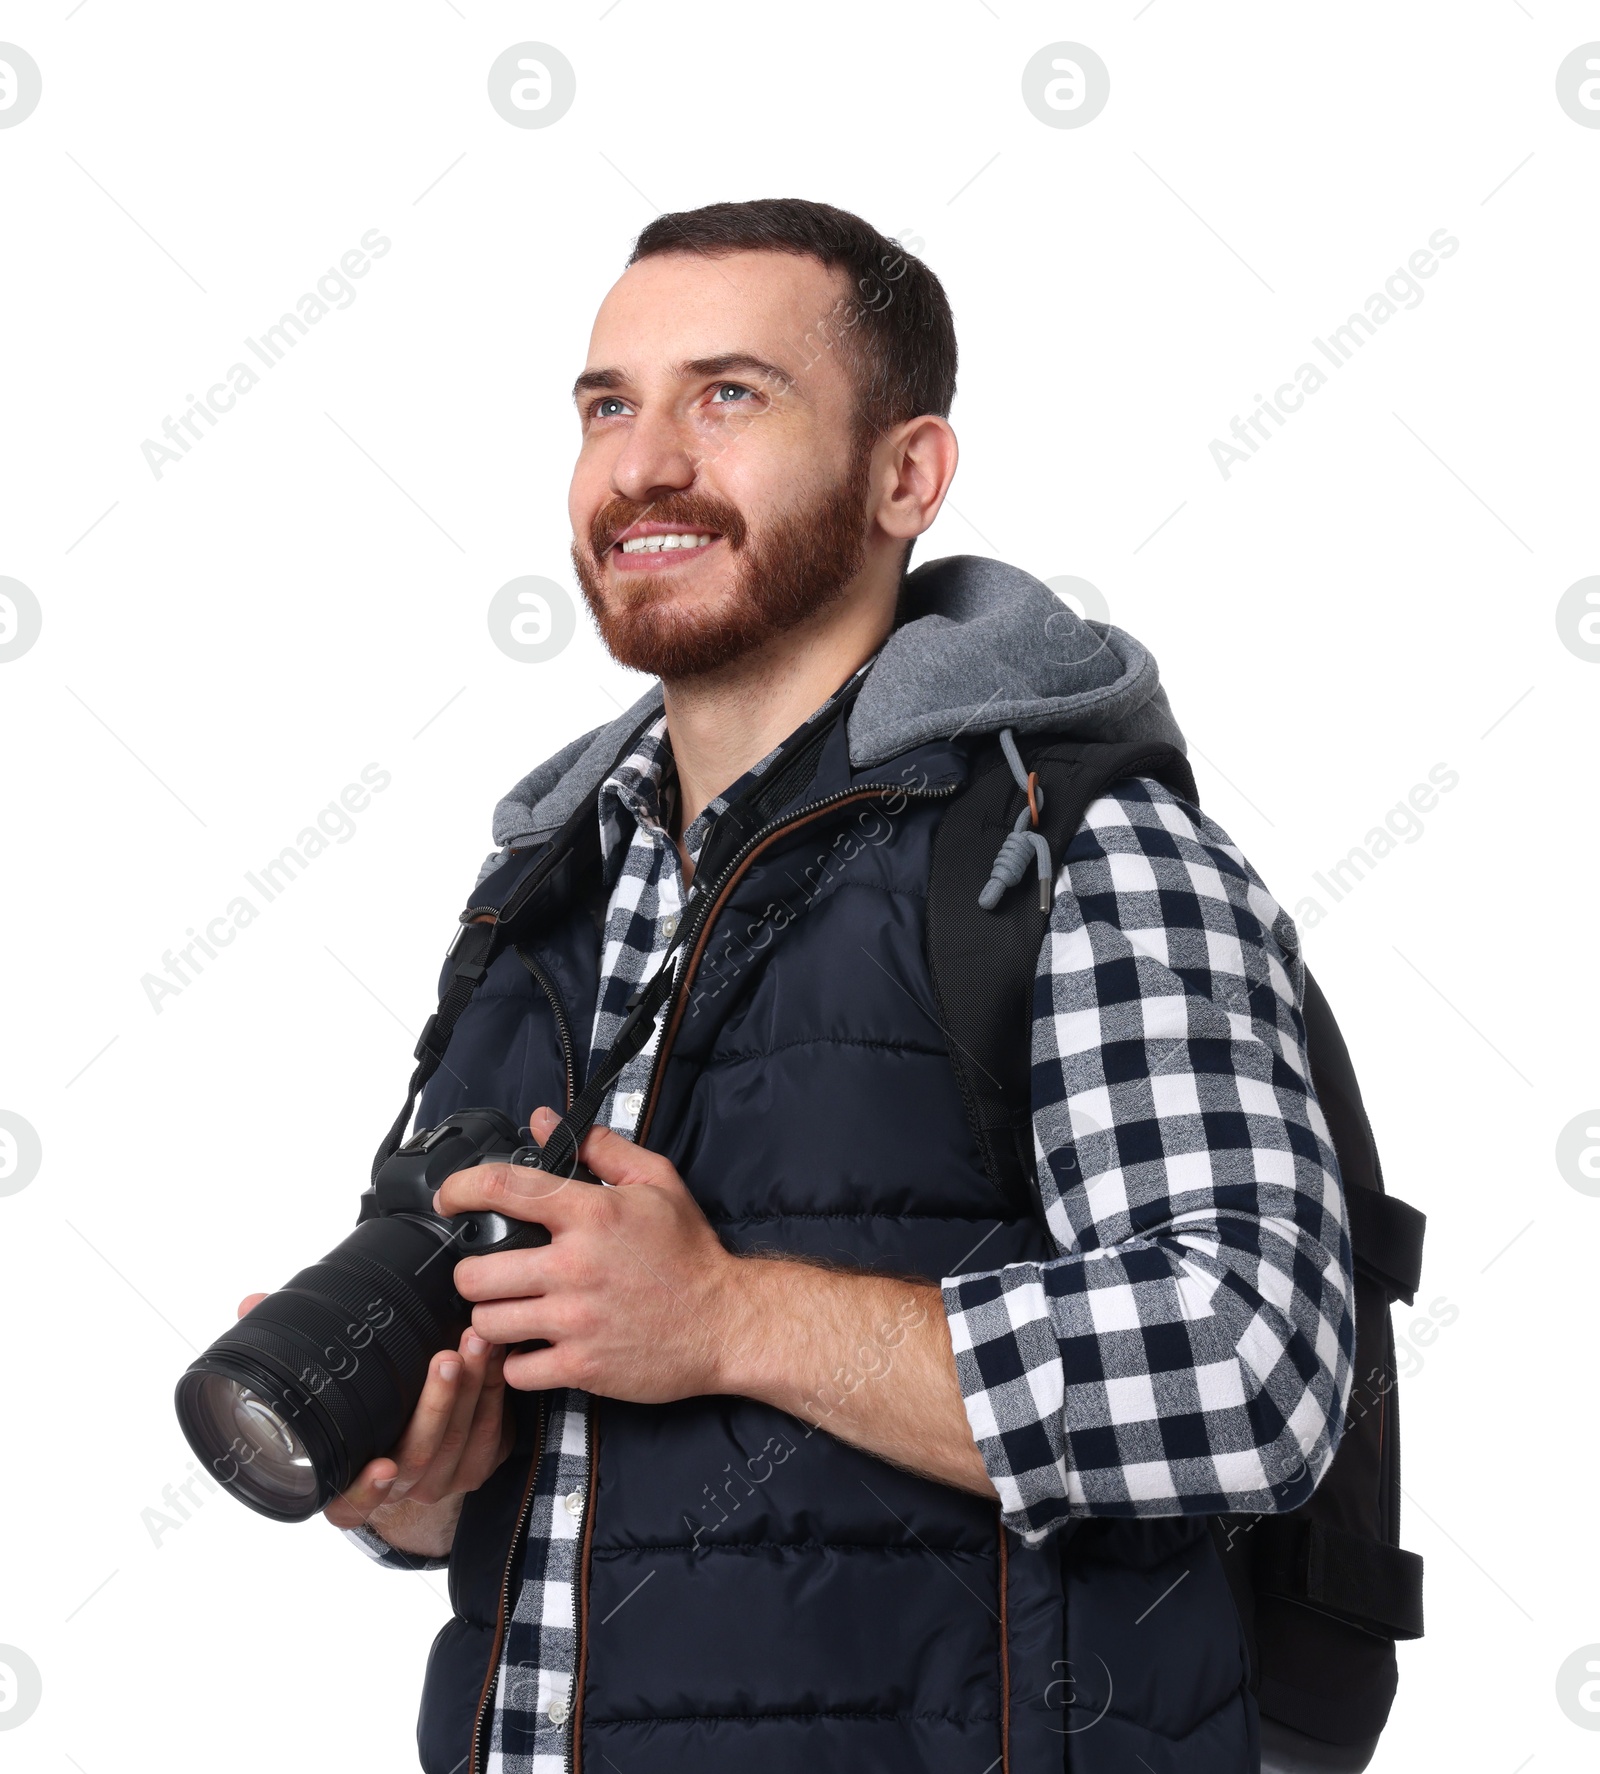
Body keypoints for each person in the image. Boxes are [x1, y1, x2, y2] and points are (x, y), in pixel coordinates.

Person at [255, 199, 1354, 1773]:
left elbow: (1256, 1365)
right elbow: (557, 1472)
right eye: (606, 406)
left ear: (906, 474)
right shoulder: (541, 888)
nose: (644, 463)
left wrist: (729, 1316)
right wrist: (428, 1492)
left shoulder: (1062, 847)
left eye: (729, 395)